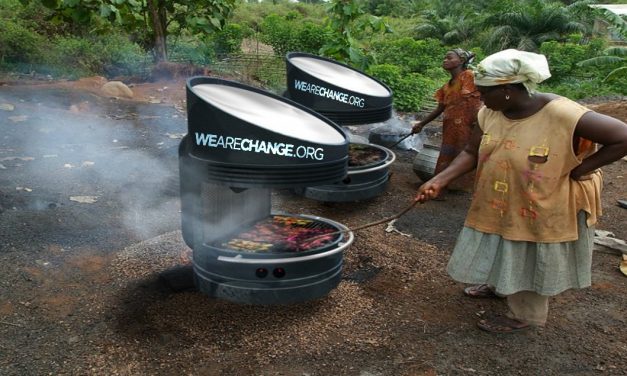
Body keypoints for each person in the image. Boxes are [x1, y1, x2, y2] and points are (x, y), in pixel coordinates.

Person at [415, 49, 627, 333]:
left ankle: (523, 315)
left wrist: (580, 169)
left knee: (528, 251)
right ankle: (502, 286)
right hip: (500, 195)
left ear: (509, 89)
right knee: (500, 240)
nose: (480, 97)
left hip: (541, 200)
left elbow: (622, 137)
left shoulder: (560, 113)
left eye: (486, 92)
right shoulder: (489, 112)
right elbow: (471, 151)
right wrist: (440, 179)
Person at [411, 48, 482, 193]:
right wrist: (421, 124)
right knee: (447, 154)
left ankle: (461, 187)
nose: (445, 60)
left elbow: (478, 102)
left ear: (461, 61)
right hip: (450, 128)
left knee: (465, 154)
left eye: (449, 58)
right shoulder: (447, 86)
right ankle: (443, 186)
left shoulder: (468, 76)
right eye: (445, 58)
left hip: (468, 126)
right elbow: (440, 108)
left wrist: (478, 125)